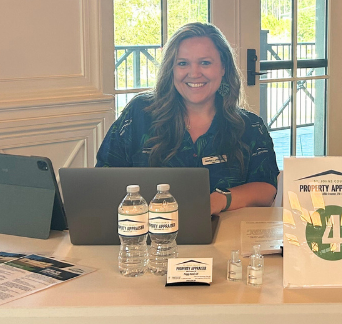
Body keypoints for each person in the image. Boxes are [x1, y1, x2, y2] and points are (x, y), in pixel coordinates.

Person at [96, 22, 278, 215]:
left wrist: (219, 200)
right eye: (183, 63)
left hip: (227, 240)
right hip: (148, 239)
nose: (194, 73)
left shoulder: (250, 126)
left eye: (205, 63)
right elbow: (104, 177)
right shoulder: (140, 112)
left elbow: (266, 189)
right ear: (171, 69)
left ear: (223, 67)